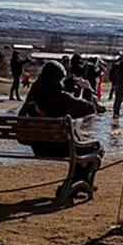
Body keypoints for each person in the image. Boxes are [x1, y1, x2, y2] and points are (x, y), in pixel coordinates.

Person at [18, 61, 102, 194]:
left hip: (37, 146)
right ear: (58, 79)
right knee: (95, 149)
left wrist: (68, 86)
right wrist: (87, 89)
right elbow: (89, 108)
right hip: (58, 147)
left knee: (83, 151)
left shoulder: (34, 93)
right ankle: (73, 185)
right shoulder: (60, 98)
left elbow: (53, 102)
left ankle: (76, 184)